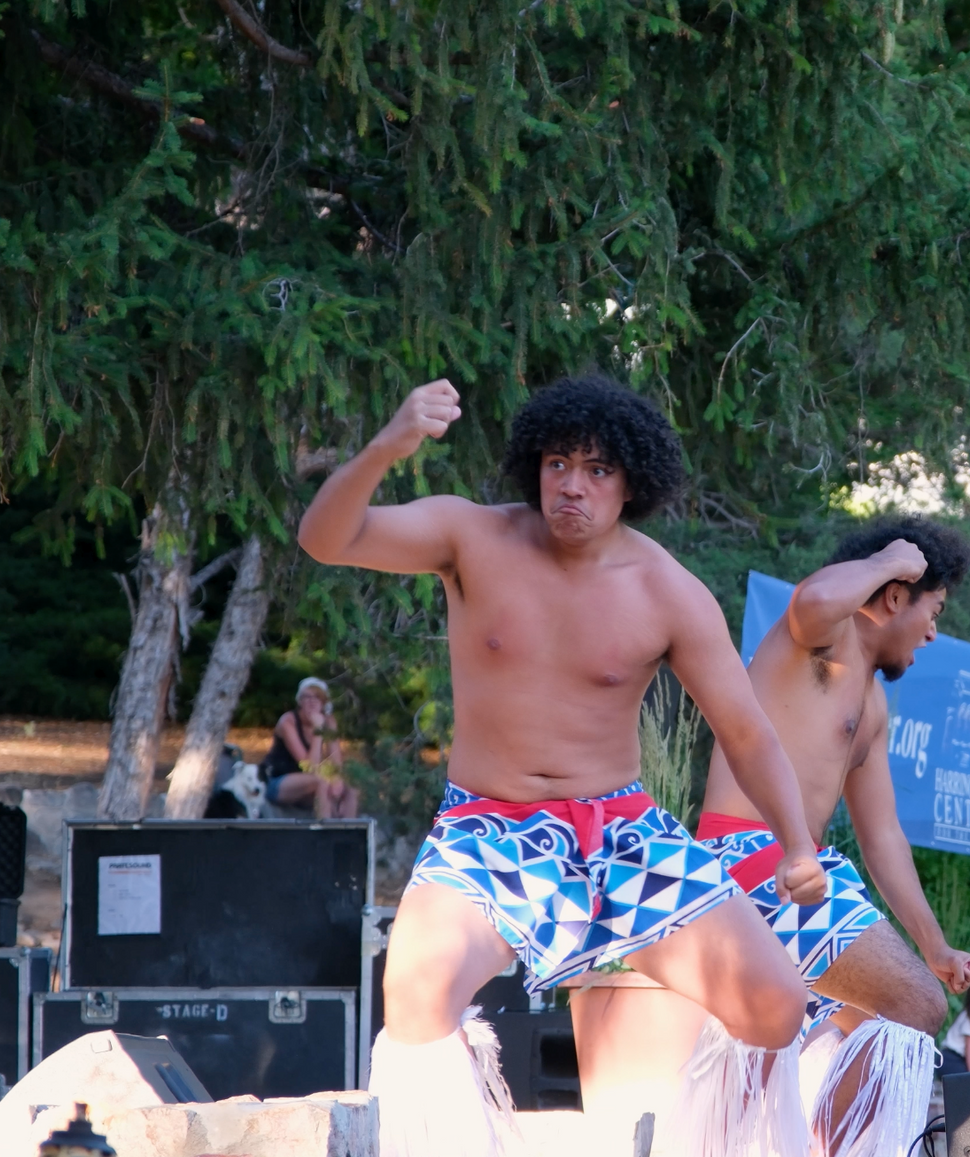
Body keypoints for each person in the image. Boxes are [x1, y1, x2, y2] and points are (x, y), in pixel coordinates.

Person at [299, 374, 829, 1157]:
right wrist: (388, 445)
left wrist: (797, 843)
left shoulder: (669, 591)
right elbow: (325, 538)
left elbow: (747, 732)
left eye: (596, 470)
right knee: (413, 992)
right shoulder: (470, 536)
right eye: (557, 464)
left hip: (622, 833)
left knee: (775, 1004)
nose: (571, 486)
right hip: (489, 829)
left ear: (630, 485)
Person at [694, 518, 970, 1156]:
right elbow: (814, 598)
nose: (933, 632)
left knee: (851, 1025)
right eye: (934, 610)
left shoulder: (873, 706)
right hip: (748, 858)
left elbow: (883, 837)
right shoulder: (823, 639)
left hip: (801, 873)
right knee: (915, 1004)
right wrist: (892, 559)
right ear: (895, 597)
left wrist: (934, 945)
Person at [261, 677, 359, 818]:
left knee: (351, 786)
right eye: (306, 697)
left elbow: (336, 761)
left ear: (324, 703)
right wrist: (317, 730)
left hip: (309, 784)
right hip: (277, 782)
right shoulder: (288, 722)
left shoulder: (329, 721)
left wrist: (338, 783)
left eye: (317, 698)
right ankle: (325, 829)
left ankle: (348, 829)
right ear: (299, 701)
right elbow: (310, 767)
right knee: (322, 781)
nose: (312, 702)